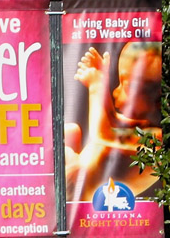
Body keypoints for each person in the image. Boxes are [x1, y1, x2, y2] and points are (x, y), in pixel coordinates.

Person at [65, 41, 162, 202]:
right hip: (76, 171)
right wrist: (101, 77)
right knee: (71, 131)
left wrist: (96, 85)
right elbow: (112, 120)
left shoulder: (157, 141)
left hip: (78, 194)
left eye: (127, 85)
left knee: (62, 145)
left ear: (157, 98)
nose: (115, 91)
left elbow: (104, 133)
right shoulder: (140, 127)